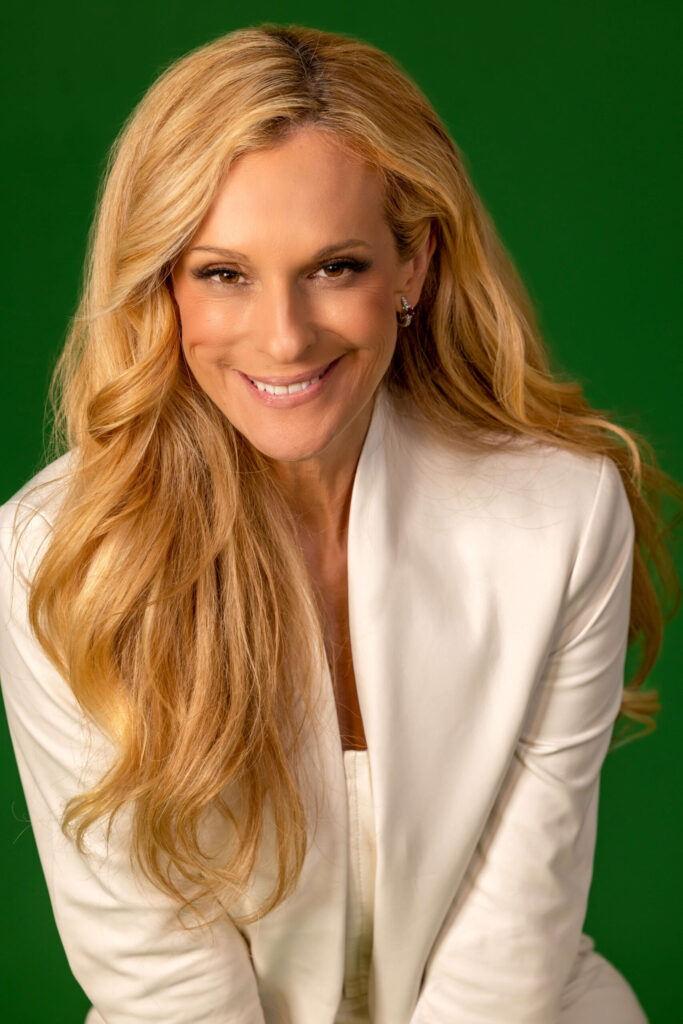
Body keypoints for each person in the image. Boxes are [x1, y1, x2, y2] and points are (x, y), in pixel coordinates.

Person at [0, 22, 679, 1024]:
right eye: (223, 272)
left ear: (410, 268)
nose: (282, 336)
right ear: (161, 282)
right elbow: (164, 985)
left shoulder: (562, 514)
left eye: (335, 267)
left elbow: (511, 944)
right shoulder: (53, 558)